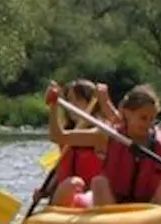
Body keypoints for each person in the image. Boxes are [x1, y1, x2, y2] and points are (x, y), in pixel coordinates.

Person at [52, 84, 161, 208]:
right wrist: (53, 107)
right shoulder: (107, 136)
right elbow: (59, 137)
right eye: (143, 118)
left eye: (152, 118)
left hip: (149, 210)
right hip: (113, 206)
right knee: (99, 182)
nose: (148, 124)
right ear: (128, 113)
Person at [42, 79, 112, 207]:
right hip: (66, 195)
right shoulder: (67, 130)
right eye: (69, 100)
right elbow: (61, 168)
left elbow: (57, 137)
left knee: (73, 183)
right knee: (71, 183)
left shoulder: (101, 132)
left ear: (91, 103)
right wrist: (46, 190)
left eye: (78, 100)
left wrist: (53, 105)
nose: (72, 105)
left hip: (92, 197)